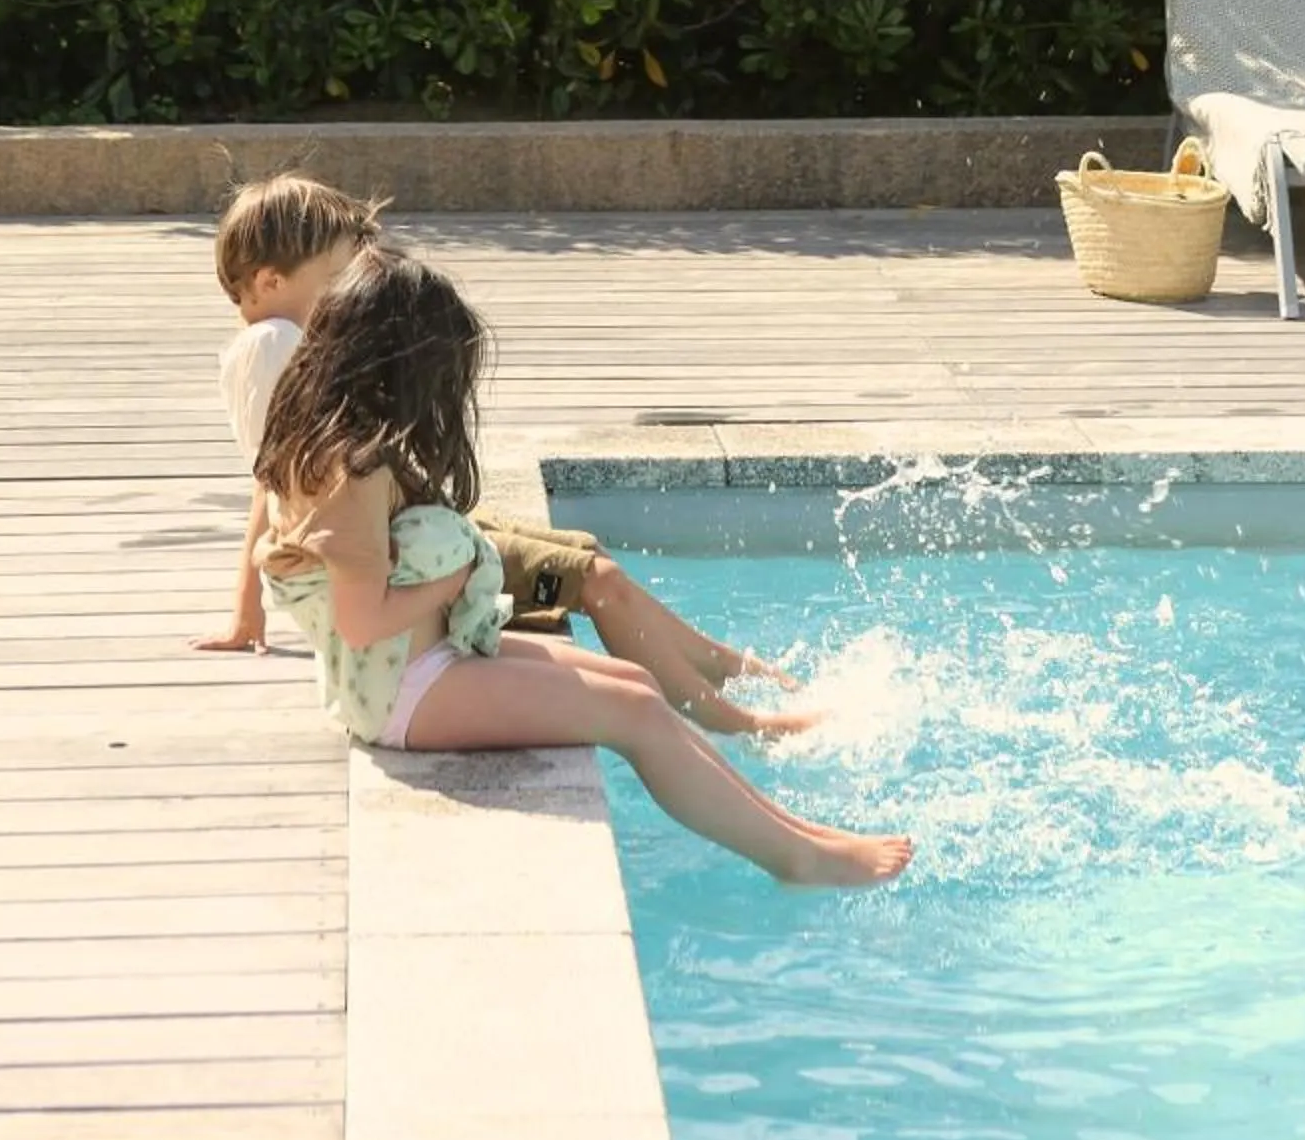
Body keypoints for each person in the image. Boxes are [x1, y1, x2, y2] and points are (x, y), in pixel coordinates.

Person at [255, 246, 915, 890]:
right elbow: (362, 621)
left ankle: (802, 837)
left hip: (417, 660)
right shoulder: (348, 473)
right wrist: (451, 582)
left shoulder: (334, 438)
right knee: (635, 718)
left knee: (638, 684)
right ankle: (797, 860)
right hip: (400, 691)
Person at [197, 173, 814, 738]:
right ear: (270, 284)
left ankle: (726, 670)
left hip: (400, 523)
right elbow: (284, 479)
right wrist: (258, 604)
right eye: (337, 276)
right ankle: (736, 720)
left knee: (590, 556)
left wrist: (246, 613)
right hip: (395, 548)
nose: (352, 292)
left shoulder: (284, 343)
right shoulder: (273, 344)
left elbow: (272, 479)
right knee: (597, 580)